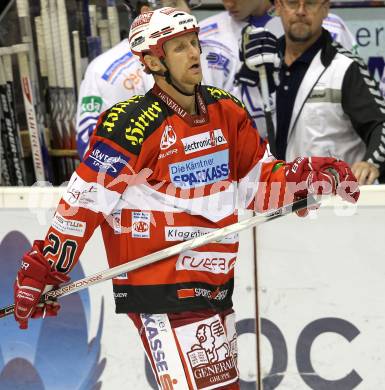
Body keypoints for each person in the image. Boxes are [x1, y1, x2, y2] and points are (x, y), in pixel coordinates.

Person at [13, 7, 359, 390]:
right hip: (159, 288)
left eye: (193, 43)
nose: (194, 54)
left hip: (213, 284)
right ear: (151, 61)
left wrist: (311, 177)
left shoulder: (225, 110)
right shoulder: (129, 123)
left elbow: (260, 184)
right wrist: (43, 272)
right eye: (179, 48)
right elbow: (83, 203)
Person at [240, 0, 385, 185]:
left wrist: (370, 163)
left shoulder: (345, 66)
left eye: (310, 3)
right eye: (292, 3)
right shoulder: (261, 65)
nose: (301, 11)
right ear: (278, 7)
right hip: (278, 199)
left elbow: (380, 125)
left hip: (334, 201)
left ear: (325, 9)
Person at [198, 0, 357, 134]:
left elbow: (361, 98)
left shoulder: (331, 27)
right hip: (248, 151)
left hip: (319, 148)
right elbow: (205, 112)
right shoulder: (206, 34)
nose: (228, 3)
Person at [76, 0, 192, 159]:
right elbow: (88, 143)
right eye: (174, 3)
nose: (187, 11)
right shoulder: (102, 69)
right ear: (146, 12)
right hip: (136, 180)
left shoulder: (197, 57)